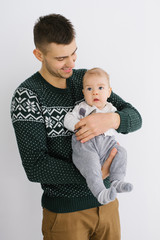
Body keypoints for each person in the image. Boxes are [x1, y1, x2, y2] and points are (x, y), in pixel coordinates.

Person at [10, 14, 142, 240]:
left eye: (73, 53)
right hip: (66, 214)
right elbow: (35, 166)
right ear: (39, 55)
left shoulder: (85, 80)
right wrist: (93, 176)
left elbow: (135, 117)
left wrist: (110, 120)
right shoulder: (27, 96)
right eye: (61, 58)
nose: (71, 63)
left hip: (108, 206)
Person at [64, 67, 133, 205]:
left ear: (109, 92)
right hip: (86, 144)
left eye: (100, 88)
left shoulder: (111, 109)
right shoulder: (82, 108)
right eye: (89, 89)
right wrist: (78, 125)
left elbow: (129, 118)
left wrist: (113, 120)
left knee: (121, 152)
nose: (95, 92)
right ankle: (100, 192)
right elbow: (68, 119)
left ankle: (117, 180)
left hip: (107, 144)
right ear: (84, 92)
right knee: (91, 165)